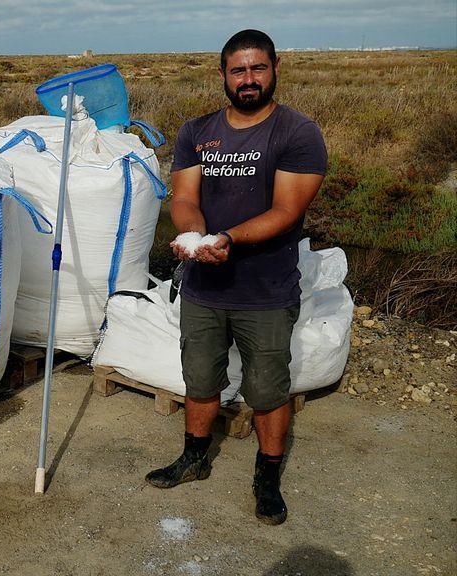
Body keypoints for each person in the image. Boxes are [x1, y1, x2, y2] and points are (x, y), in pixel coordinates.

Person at [145, 29, 328, 525]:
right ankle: (194, 457)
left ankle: (267, 477)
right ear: (223, 74)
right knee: (200, 377)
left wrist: (227, 239)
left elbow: (287, 210)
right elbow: (183, 198)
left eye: (258, 68)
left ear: (275, 68)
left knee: (267, 389)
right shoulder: (196, 131)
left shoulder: (297, 133)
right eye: (238, 70)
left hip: (265, 291)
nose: (248, 79)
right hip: (205, 288)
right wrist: (195, 239)